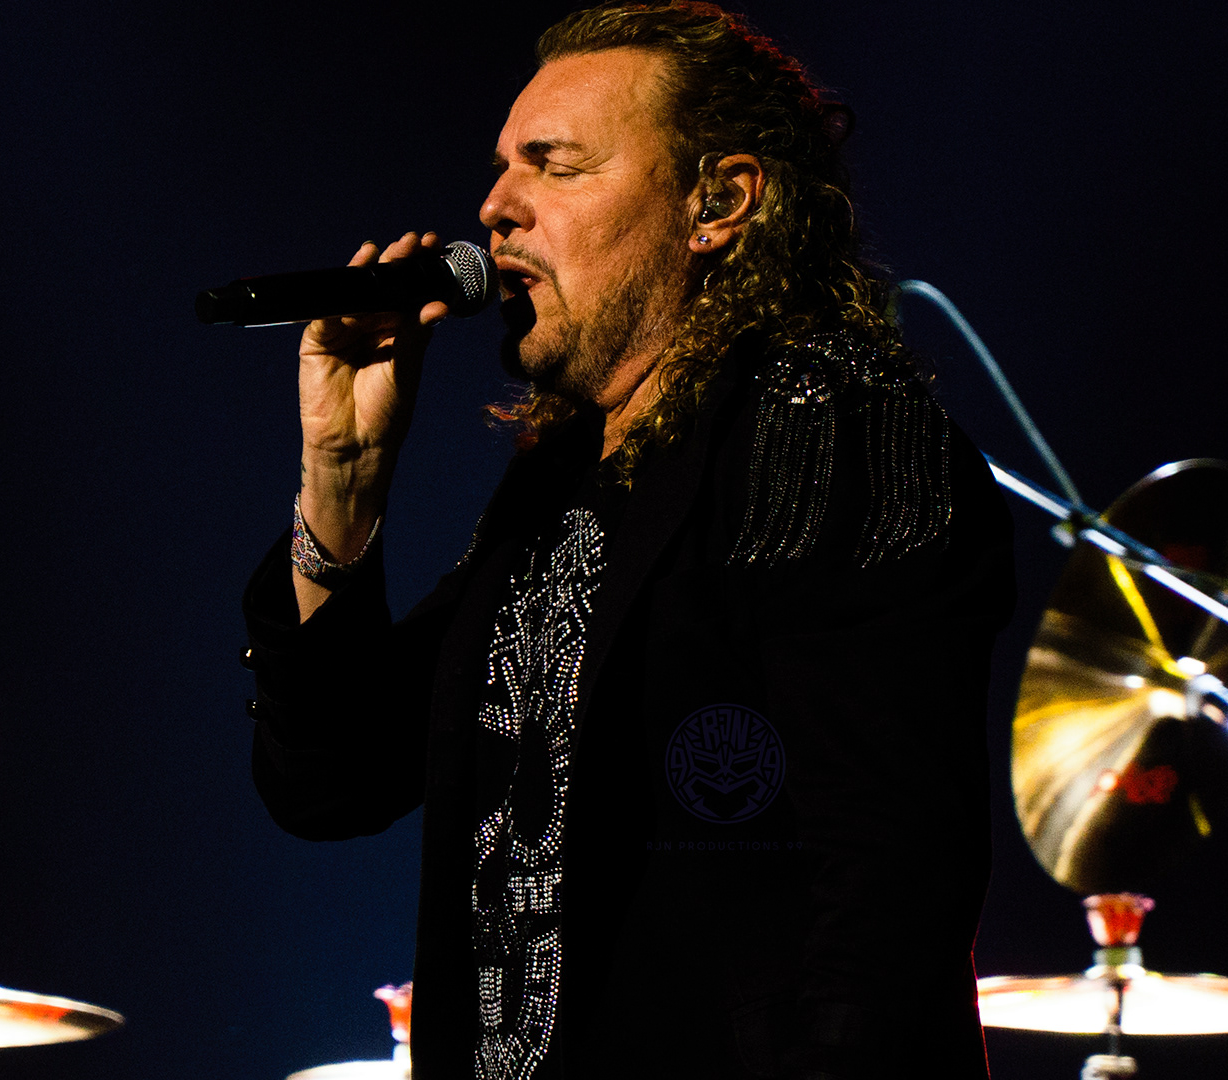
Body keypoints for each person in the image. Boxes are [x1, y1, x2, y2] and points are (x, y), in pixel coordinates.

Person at [241, 4, 1013, 1077]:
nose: (494, 208)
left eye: (554, 166)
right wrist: (345, 479)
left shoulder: (829, 430)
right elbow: (334, 782)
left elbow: (889, 884)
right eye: (504, 168)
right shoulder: (563, 481)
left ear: (719, 202)